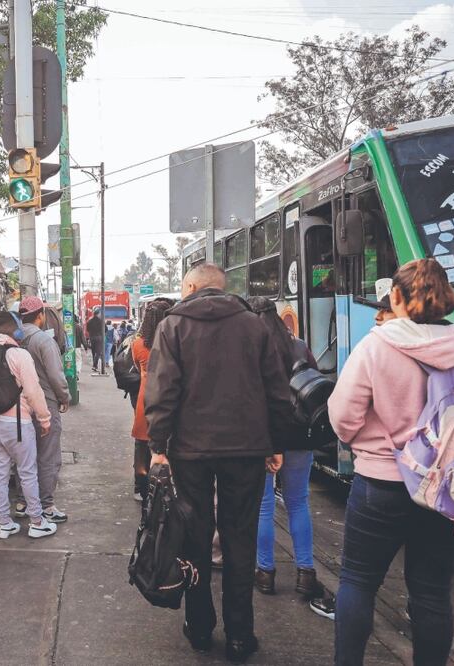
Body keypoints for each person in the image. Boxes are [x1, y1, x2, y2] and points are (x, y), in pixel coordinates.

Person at [328, 259, 454, 666]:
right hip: (450, 487)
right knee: (431, 591)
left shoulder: (377, 346)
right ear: (446, 295)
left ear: (395, 296)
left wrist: (372, 443)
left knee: (358, 582)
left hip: (381, 483)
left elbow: (343, 418)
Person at [145, 264, 295, 663]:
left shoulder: (173, 326)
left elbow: (162, 389)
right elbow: (276, 388)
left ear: (192, 287)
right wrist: (275, 443)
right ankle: (241, 636)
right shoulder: (254, 324)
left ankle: (198, 628)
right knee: (239, 540)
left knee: (194, 537)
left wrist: (158, 444)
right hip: (246, 450)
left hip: (190, 451)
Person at [246, 297, 329, 612]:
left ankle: (265, 573)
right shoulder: (299, 346)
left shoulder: (252, 349)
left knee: (264, 507)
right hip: (301, 436)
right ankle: (306, 573)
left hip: (266, 438)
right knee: (298, 503)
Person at [0, 312, 58, 539]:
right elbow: (33, 391)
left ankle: (4, 523)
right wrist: (44, 419)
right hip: (18, 424)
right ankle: (37, 521)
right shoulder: (19, 355)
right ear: (15, 331)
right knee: (27, 472)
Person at [17, 296, 73, 524]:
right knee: (48, 456)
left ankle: (22, 502)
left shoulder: (13, 338)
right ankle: (47, 506)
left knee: (23, 456)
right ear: (40, 316)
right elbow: (56, 376)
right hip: (45, 404)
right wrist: (65, 397)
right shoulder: (43, 341)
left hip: (18, 406)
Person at [129, 298, 173, 501]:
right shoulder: (172, 341)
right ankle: (164, 485)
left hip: (144, 397)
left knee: (141, 444)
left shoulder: (137, 344)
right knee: (167, 444)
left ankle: (141, 486)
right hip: (168, 395)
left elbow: (138, 369)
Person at [86, 307, 104, 371]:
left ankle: (95, 366)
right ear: (98, 314)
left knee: (93, 351)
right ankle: (94, 365)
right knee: (98, 352)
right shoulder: (101, 321)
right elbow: (105, 329)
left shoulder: (89, 321)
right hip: (99, 337)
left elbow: (87, 329)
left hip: (92, 337)